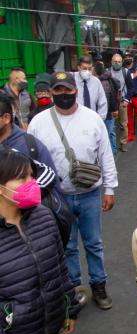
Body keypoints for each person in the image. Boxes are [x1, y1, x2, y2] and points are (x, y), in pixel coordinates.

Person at [27, 72, 119, 311]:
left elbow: (106, 156)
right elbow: (31, 161)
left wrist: (110, 188)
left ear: (75, 91)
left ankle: (99, 285)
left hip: (89, 194)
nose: (63, 95)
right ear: (52, 92)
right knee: (66, 246)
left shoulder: (92, 119)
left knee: (93, 243)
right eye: (58, 90)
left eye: (67, 90)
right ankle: (75, 290)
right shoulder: (38, 122)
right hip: (57, 197)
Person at [0, 148, 80, 334]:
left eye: (31, 176)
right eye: (21, 177)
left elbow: (60, 267)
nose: (32, 183)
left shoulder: (44, 216)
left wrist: (70, 308)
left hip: (51, 325)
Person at [94, 61, 120, 157]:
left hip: (107, 113)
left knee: (107, 133)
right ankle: (113, 150)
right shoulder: (107, 78)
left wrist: (110, 111)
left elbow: (106, 100)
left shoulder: (102, 82)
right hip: (110, 112)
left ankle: (111, 153)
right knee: (111, 133)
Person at [108, 54, 132, 152]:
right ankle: (112, 145)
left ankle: (124, 143)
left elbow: (131, 87)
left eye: (119, 62)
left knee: (123, 124)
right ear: (111, 62)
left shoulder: (125, 72)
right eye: (115, 61)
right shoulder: (107, 72)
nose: (117, 63)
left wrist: (127, 100)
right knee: (111, 125)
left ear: (122, 62)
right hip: (111, 103)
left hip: (122, 102)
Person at [73, 55, 108, 119]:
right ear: (79, 67)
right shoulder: (71, 79)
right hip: (75, 119)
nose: (87, 71)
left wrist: (99, 119)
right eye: (84, 68)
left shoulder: (96, 82)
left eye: (89, 69)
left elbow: (102, 102)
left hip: (92, 119)